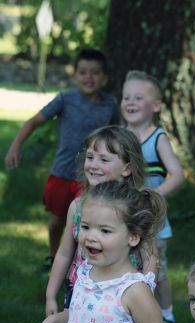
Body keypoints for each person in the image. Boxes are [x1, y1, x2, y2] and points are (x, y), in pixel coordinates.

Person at [17, 180, 167, 323]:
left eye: (105, 230)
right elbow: (85, 317)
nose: (91, 236)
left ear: (133, 236)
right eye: (86, 227)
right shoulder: (85, 273)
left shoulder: (135, 291)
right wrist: (55, 322)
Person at [4, 48, 119, 271]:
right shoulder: (65, 99)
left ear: (104, 78)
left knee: (86, 221)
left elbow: (119, 134)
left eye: (95, 73)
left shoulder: (110, 105)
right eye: (83, 72)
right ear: (74, 76)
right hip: (62, 173)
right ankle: (53, 256)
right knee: (57, 220)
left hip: (92, 176)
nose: (89, 77)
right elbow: (33, 122)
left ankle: (82, 265)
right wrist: (15, 146)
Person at [45, 125, 157, 317]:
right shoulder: (78, 206)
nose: (93, 165)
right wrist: (50, 295)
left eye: (104, 159)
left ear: (127, 168)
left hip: (122, 292)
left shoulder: (135, 206)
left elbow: (151, 257)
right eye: (90, 157)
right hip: (81, 289)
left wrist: (145, 290)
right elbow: (64, 254)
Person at [121, 70, 184, 323]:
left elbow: (178, 175)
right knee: (125, 266)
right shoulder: (119, 136)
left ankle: (166, 314)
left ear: (155, 106)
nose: (130, 102)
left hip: (153, 221)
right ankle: (128, 313)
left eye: (138, 97)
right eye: (126, 97)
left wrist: (154, 195)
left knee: (156, 268)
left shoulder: (157, 138)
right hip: (123, 217)